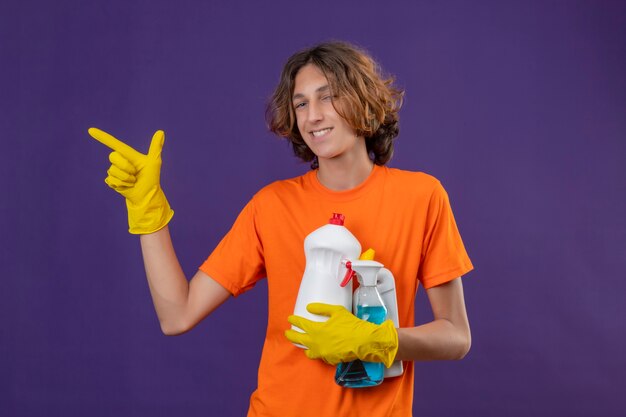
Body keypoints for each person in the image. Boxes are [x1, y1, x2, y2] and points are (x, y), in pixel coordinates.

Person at [89, 41, 473, 417]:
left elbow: (456, 337)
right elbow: (177, 315)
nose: (313, 116)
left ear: (364, 100)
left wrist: (379, 340)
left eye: (329, 96)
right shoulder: (272, 206)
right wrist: (147, 212)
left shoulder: (421, 197)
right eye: (301, 103)